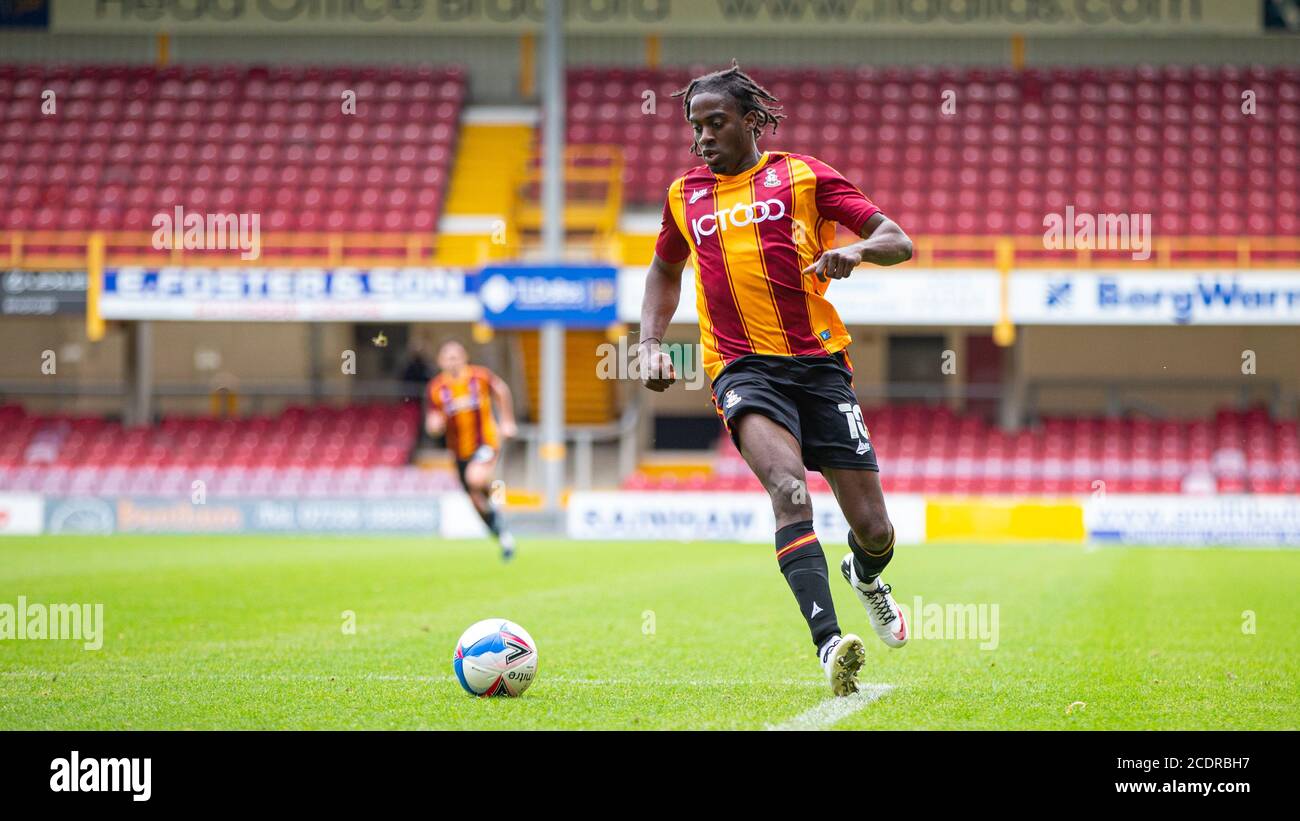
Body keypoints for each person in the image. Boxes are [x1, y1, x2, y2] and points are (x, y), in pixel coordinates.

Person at [638, 61, 914, 696]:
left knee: (874, 530)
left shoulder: (804, 177)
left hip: (820, 369)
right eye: (695, 126)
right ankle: (828, 646)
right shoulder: (685, 196)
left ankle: (866, 576)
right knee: (788, 489)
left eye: (716, 123)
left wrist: (857, 250)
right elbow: (663, 272)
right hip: (741, 369)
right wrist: (649, 344)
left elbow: (897, 239)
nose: (703, 137)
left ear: (752, 121)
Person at [425, 341, 518, 561]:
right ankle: (502, 534)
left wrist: (506, 421)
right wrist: (434, 426)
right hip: (458, 451)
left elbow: (501, 390)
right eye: (448, 357)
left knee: (474, 479)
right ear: (440, 362)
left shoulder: (479, 377)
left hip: (485, 442)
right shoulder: (437, 388)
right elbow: (432, 419)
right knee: (475, 499)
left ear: (465, 357)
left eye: (456, 356)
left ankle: (492, 490)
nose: (452, 360)